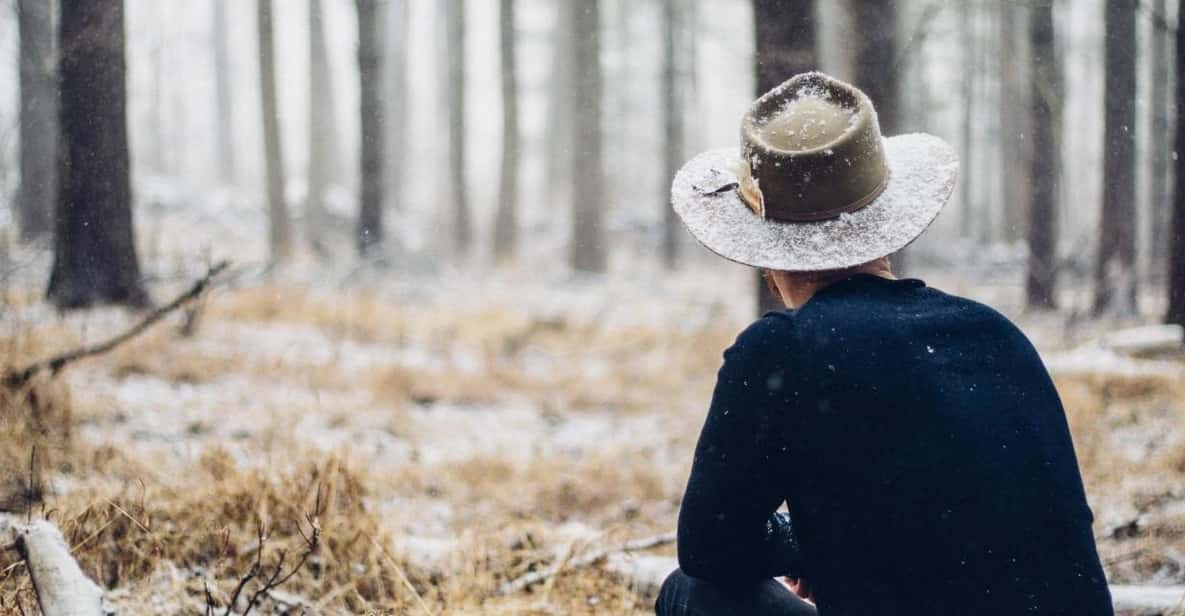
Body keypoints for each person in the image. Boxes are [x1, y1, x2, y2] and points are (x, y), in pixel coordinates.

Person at [655, 72, 1113, 615]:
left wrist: (799, 545)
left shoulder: (782, 351)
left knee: (689, 591)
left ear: (764, 251)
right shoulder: (995, 333)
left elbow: (712, 548)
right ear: (884, 220)